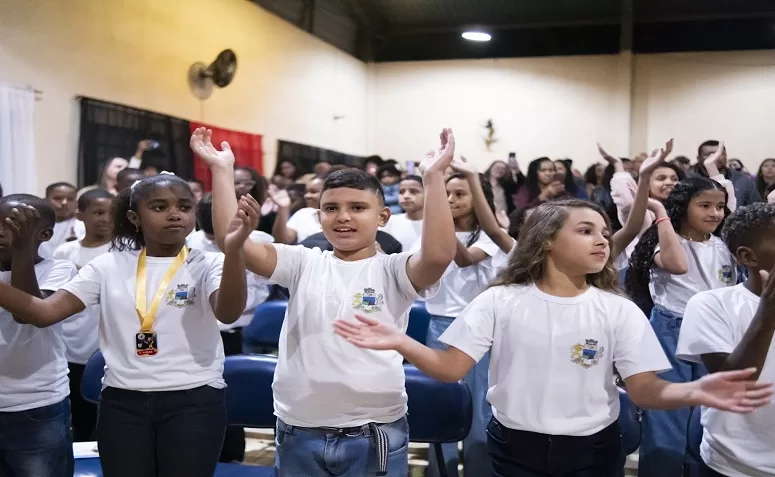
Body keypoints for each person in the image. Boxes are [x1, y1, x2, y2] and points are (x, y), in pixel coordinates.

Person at [334, 199, 774, 477]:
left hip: (595, 449)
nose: (602, 240)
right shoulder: (500, 301)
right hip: (514, 444)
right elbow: (451, 369)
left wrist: (695, 389)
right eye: (586, 231)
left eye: (604, 232)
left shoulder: (616, 307)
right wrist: (401, 340)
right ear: (545, 242)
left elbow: (644, 390)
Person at [190, 126, 457, 477]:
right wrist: (221, 171)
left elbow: (438, 255)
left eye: (357, 207)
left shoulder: (394, 270)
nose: (343, 216)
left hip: (373, 431)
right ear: (319, 217)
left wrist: (433, 177)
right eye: (331, 208)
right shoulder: (303, 262)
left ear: (382, 216)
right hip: (298, 428)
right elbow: (232, 240)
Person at [0, 173, 257, 477]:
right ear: (135, 217)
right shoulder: (107, 265)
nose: (175, 214)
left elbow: (228, 313)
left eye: (184, 206)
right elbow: (42, 314)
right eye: (159, 207)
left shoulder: (208, 263)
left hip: (194, 399)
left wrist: (236, 249)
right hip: (123, 402)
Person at [627, 177, 737, 477]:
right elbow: (678, 265)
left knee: (706, 412)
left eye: (720, 206)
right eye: (704, 206)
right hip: (670, 330)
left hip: (716, 333)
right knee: (666, 414)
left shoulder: (723, 245)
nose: (715, 213)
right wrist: (660, 211)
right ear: (682, 208)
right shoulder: (663, 240)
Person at [412, 169, 501, 477]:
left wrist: (442, 222)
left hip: (480, 328)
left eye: (460, 194)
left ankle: (480, 470)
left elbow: (463, 259)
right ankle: (440, 471)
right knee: (442, 404)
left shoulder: (493, 235)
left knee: (480, 407)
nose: (451, 200)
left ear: (478, 199)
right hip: (439, 323)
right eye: (446, 194)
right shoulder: (430, 233)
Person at [677, 202, 775, 477]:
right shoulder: (711, 304)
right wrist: (767, 314)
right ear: (748, 257)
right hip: (734, 464)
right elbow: (734, 386)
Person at [187, 195, 273, 463]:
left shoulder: (260, 241)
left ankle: (232, 457)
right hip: (196, 331)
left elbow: (261, 289)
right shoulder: (189, 243)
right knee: (196, 399)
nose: (216, 241)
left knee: (231, 399)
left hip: (237, 331)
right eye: (211, 234)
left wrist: (233, 304)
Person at [0, 194, 77, 477]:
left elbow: (28, 313)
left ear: (44, 234)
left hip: (36, 405)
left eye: (12, 225)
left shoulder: (59, 269)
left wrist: (21, 249)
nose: (0, 231)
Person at [51, 188, 114, 442]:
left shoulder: (123, 251)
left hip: (105, 346)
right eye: (98, 212)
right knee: (78, 415)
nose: (105, 219)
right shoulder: (64, 253)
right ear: (80, 214)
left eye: (111, 213)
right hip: (71, 345)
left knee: (105, 413)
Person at [691, 140, 760, 206]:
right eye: (709, 154)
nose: (715, 157)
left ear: (726, 156)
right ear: (698, 158)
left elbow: (755, 208)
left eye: (719, 154)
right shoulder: (688, 179)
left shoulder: (742, 179)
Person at [270, 178, 324, 244]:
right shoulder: (303, 213)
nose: (306, 196)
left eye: (313, 192)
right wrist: (283, 209)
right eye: (306, 192)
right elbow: (282, 240)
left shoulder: (337, 215)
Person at [40, 182, 86, 258]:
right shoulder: (37, 225)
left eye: (70, 199)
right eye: (57, 198)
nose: (64, 203)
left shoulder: (82, 225)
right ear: (46, 200)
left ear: (76, 202)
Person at [381, 174, 424, 252]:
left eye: (413, 191)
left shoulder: (434, 224)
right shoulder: (389, 221)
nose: (406, 196)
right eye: (401, 192)